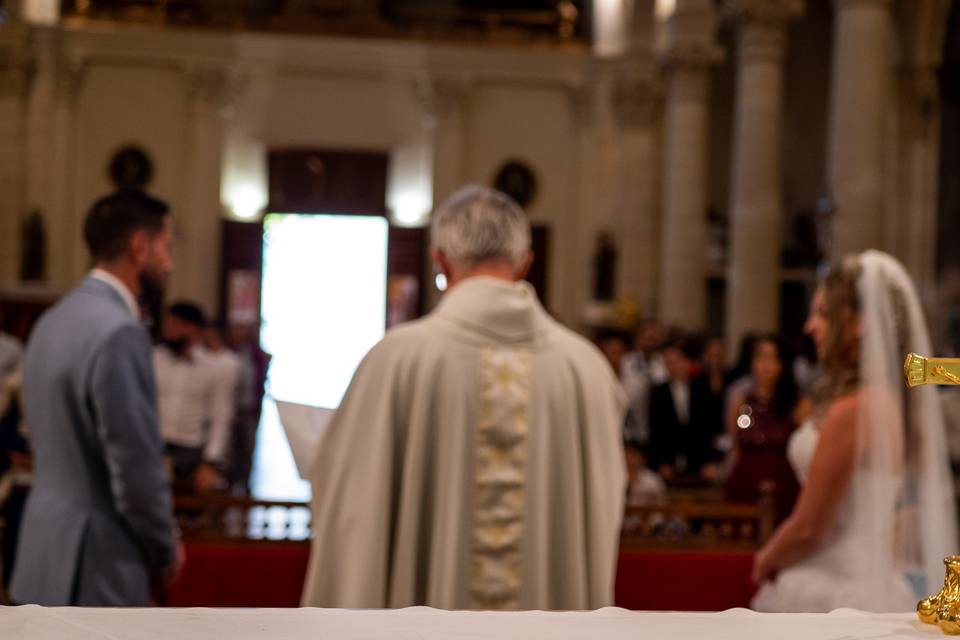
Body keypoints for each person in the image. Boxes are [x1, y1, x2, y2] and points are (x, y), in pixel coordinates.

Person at [302, 185, 626, 610]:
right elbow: (602, 509)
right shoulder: (585, 369)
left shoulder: (395, 362)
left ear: (439, 259)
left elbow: (350, 501)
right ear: (525, 264)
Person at [752, 251, 957, 612]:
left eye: (823, 314)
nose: (809, 326)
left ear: (859, 322)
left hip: (833, 582)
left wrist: (765, 559)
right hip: (872, 575)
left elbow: (809, 528)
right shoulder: (893, 403)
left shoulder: (856, 408)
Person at [11, 190, 181, 606]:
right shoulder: (119, 332)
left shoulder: (52, 319)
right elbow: (134, 466)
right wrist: (165, 547)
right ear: (139, 246)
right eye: (166, 247)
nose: (169, 263)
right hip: (96, 562)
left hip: (39, 549)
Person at [155, 302, 234, 495]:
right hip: (155, 445)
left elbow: (220, 416)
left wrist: (211, 462)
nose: (168, 330)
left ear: (192, 328)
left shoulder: (213, 366)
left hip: (190, 450)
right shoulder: (154, 359)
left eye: (175, 325)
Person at [724, 335, 803, 524]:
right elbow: (735, 445)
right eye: (760, 358)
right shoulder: (741, 402)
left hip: (783, 484)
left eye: (772, 359)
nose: (765, 365)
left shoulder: (797, 405)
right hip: (745, 483)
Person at [647, 335, 721, 480]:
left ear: (686, 362)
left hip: (699, 460)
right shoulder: (658, 393)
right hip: (669, 461)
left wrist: (710, 461)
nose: (671, 366)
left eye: (675, 362)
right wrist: (660, 463)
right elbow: (656, 430)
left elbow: (709, 427)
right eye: (667, 362)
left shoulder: (702, 388)